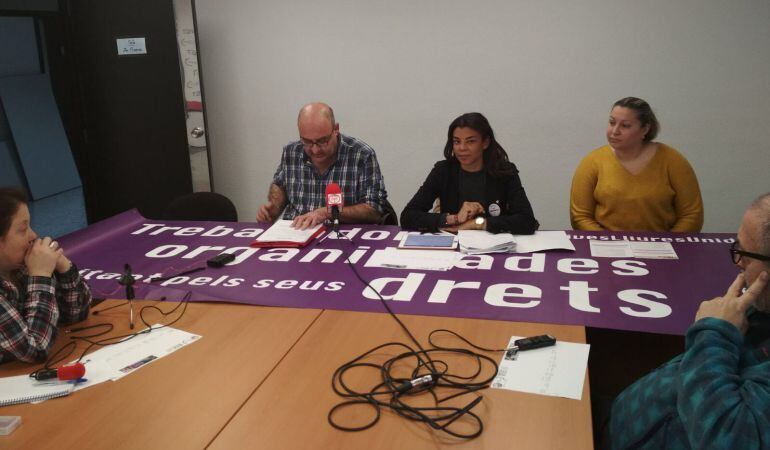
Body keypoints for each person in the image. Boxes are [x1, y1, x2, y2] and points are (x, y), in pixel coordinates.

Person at [609, 193, 770, 449]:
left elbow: (728, 437)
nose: (738, 263)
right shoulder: (761, 305)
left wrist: (714, 333)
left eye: (746, 255)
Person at [570, 97, 704, 232]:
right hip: (606, 247)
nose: (615, 131)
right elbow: (580, 217)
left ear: (645, 129)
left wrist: (668, 245)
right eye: (612, 123)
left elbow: (691, 216)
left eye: (625, 125)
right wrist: (608, 243)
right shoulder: (593, 161)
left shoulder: (673, 160)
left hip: (664, 248)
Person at [400, 112, 538, 234]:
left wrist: (477, 224)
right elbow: (408, 216)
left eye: (470, 141)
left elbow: (527, 221)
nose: (462, 148)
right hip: (454, 246)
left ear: (485, 143)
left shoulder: (504, 172)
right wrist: (452, 219)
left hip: (496, 247)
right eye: (457, 142)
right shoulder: (443, 171)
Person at [256, 102, 388, 230]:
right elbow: (280, 185)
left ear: (336, 129)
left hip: (341, 236)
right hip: (296, 233)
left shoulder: (361, 155)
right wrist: (274, 207)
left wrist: (327, 212)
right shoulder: (291, 152)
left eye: (322, 141)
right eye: (307, 141)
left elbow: (374, 211)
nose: (315, 150)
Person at [0, 187, 91, 364]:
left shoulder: (19, 267)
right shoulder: (31, 270)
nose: (33, 235)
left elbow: (75, 314)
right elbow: (36, 348)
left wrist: (63, 266)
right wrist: (41, 277)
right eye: (23, 229)